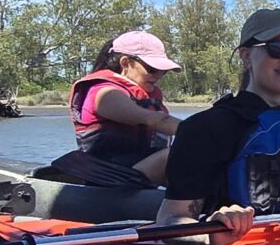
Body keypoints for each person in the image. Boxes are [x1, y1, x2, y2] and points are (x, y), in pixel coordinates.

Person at [157, 8, 280, 245]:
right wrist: (211, 233)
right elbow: (171, 219)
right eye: (277, 49)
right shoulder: (206, 127)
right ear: (246, 56)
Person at [55, 29, 184, 187]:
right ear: (125, 63)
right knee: (182, 151)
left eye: (162, 72)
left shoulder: (147, 96)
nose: (157, 76)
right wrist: (204, 132)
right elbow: (156, 121)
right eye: (152, 69)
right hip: (111, 180)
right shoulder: (105, 94)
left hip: (138, 178)